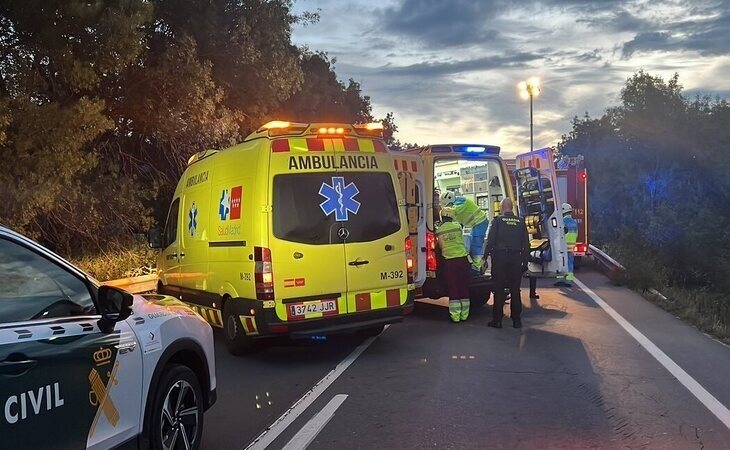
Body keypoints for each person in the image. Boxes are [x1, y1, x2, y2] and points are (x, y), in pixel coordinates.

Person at [483, 198, 530, 329]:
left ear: (502, 207)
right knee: (515, 290)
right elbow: (526, 244)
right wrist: (525, 263)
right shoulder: (521, 222)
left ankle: (497, 320)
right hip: (516, 259)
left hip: (500, 259)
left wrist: (485, 257)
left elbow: (490, 241)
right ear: (512, 207)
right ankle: (516, 321)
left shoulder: (497, 221)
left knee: (498, 290)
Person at [436, 209, 471, 323]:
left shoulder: (439, 231)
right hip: (463, 260)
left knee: (453, 288)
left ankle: (455, 316)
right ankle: (465, 315)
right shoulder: (457, 227)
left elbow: (439, 246)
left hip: (450, 262)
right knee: (463, 287)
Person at [440, 191, 488, 272]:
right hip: (477, 223)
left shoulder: (459, 205)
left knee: (476, 245)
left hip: (479, 222)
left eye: (447, 205)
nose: (448, 207)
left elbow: (450, 212)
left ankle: (478, 267)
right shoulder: (459, 201)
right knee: (474, 244)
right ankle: (477, 265)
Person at [556, 202, 578, 287]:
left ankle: (560, 280)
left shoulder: (563, 221)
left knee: (561, 263)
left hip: (563, 246)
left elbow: (560, 234)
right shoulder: (574, 222)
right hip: (571, 246)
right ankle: (569, 280)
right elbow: (576, 234)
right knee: (570, 263)